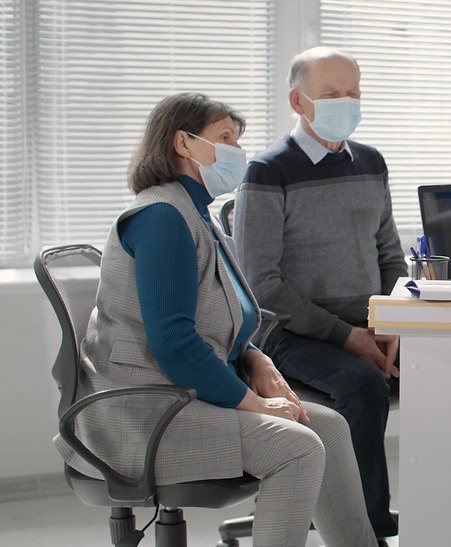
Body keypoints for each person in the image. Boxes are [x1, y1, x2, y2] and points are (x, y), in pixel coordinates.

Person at [54, 92, 378, 547]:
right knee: (298, 446)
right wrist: (256, 405)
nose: (237, 151)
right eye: (224, 137)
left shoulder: (197, 216)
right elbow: (175, 342)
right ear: (182, 143)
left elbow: (220, 319)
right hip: (143, 419)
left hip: (179, 400)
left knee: (328, 424)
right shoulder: (162, 217)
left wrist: (256, 360)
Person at [233, 47, 404, 542]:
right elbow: (261, 284)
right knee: (363, 385)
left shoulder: (371, 162)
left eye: (353, 93)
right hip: (291, 334)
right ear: (298, 100)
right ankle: (365, 529)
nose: (346, 103)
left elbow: (390, 254)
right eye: (332, 94)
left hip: (371, 324)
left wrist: (391, 321)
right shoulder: (266, 171)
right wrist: (347, 336)